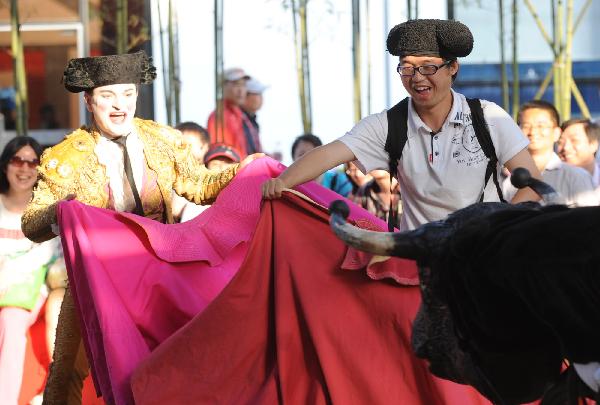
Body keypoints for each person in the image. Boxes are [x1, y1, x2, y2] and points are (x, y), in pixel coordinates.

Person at [20, 51, 260, 404]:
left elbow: (201, 186)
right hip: (95, 281)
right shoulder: (66, 157)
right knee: (68, 370)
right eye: (108, 96)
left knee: (177, 364)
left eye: (128, 94)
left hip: (161, 273)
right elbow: (31, 224)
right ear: (89, 101)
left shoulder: (162, 140)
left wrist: (245, 170)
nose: (120, 106)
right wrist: (62, 210)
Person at [263, 19, 541, 230]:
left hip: (484, 254)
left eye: (428, 67)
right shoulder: (388, 125)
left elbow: (534, 183)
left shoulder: (487, 117)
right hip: (418, 260)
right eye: (407, 67)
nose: (417, 77)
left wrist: (496, 230)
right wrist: (282, 181)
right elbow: (329, 154)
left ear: (453, 67)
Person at [0, 136, 59, 405]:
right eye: (17, 160)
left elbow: (46, 257)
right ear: (5, 165)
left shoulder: (47, 211)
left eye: (32, 162)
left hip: (28, 290)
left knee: (12, 320)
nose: (24, 168)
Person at [502, 100, 597, 206]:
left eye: (541, 126)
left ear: (556, 133)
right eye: (526, 126)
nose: (533, 132)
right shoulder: (509, 183)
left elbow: (589, 219)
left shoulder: (576, 176)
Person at [207, 68, 259, 158]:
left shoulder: (241, 116)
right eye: (236, 84)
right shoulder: (219, 117)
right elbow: (219, 155)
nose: (241, 90)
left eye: (243, 85)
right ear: (223, 86)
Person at [291, 134, 353, 198]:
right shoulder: (289, 188)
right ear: (293, 159)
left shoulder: (338, 181)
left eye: (311, 154)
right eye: (301, 154)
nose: (306, 159)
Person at [557, 118, 600, 187]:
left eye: (574, 140)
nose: (566, 147)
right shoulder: (551, 182)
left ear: (593, 145)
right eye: (560, 142)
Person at [241, 78, 266, 155]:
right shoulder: (239, 119)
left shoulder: (251, 120)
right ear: (245, 95)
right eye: (258, 93)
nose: (261, 98)